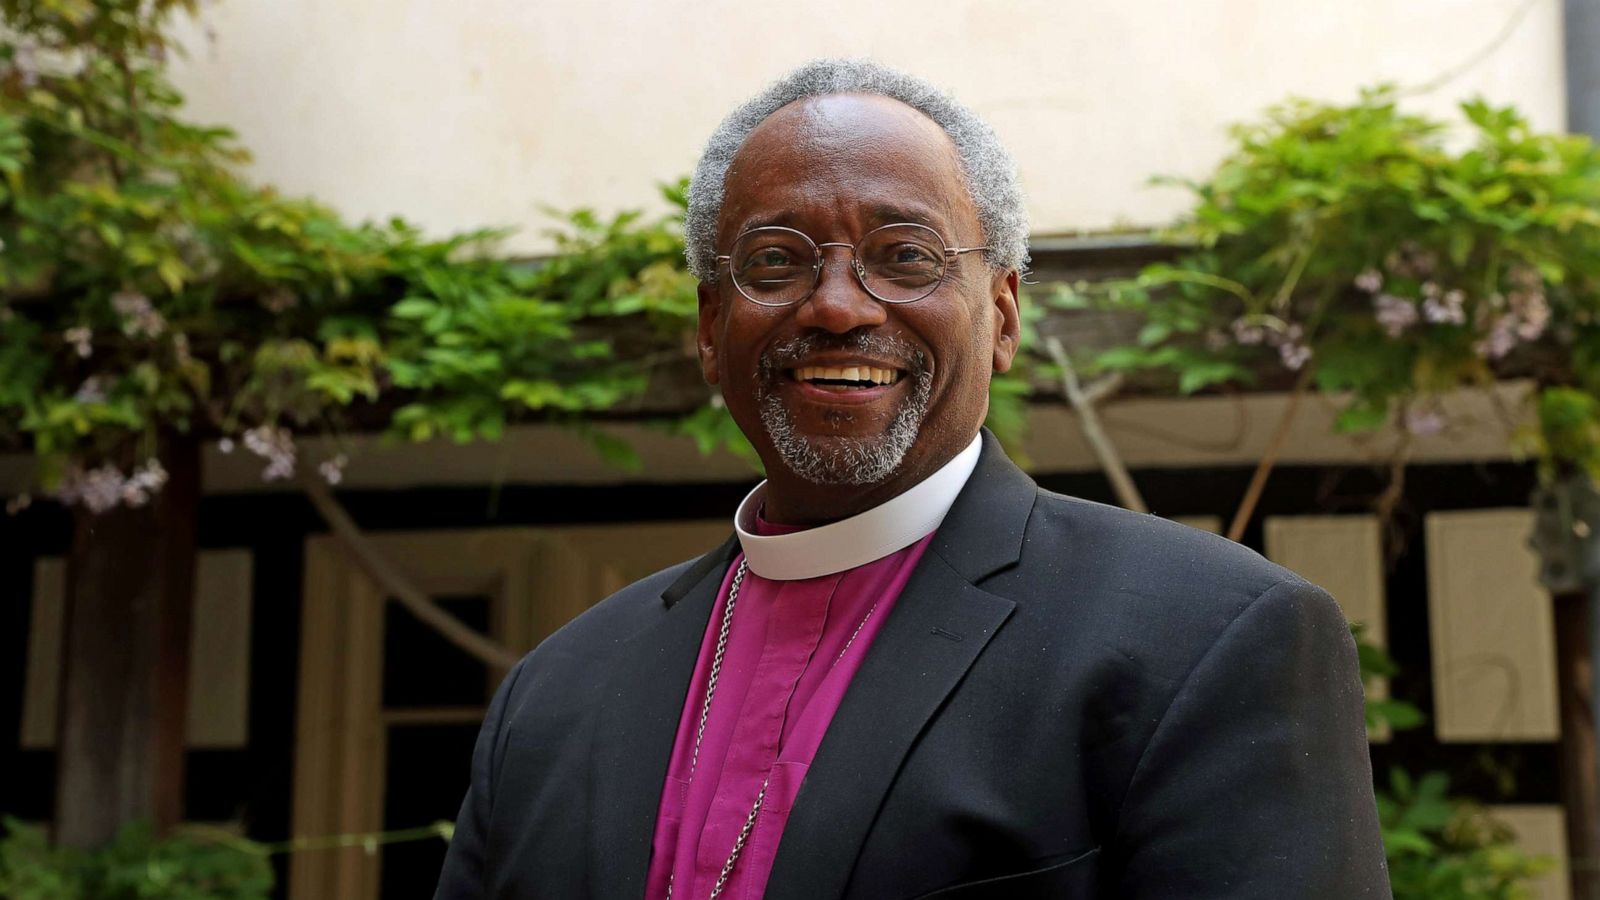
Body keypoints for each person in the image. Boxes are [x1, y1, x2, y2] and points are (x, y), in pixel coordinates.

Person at [434, 59, 1390, 900]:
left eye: (905, 257)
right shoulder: (556, 692)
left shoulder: (1208, 640)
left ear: (1004, 316)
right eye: (777, 261)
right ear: (709, 328)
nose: (840, 307)